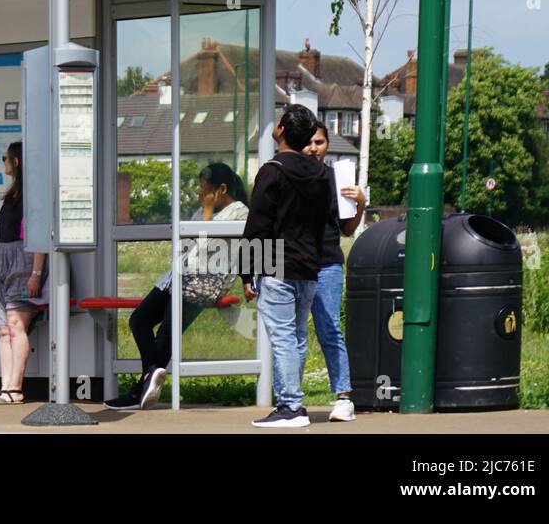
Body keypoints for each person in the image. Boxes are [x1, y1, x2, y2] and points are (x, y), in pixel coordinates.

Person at [104, 162, 250, 411]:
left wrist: (205, 212)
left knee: (165, 337)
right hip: (178, 277)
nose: (199, 195)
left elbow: (205, 239)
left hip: (203, 282)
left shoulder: (240, 212)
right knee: (139, 320)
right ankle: (151, 375)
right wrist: (204, 210)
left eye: (204, 190)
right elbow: (189, 237)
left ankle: (139, 391)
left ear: (221, 189)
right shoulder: (206, 211)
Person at [242, 103, 330, 428]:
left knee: (281, 338)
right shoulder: (321, 173)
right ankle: (289, 403)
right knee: (296, 338)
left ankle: (291, 406)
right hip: (308, 264)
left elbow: (258, 227)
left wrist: (247, 273)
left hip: (277, 264)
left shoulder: (273, 170)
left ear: (280, 130)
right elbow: (323, 222)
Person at [302, 122, 367, 422]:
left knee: (329, 330)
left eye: (319, 142)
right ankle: (290, 398)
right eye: (308, 142)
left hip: (327, 263)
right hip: (295, 265)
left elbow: (346, 229)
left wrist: (361, 204)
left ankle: (343, 397)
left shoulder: (336, 177)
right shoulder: (288, 176)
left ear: (327, 145)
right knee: (293, 333)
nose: (313, 147)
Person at [0, 142, 47, 405]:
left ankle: (15, 388)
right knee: (5, 328)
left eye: (4, 158)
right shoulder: (13, 195)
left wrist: (36, 273)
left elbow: (39, 235)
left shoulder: (33, 195)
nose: (3, 163)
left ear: (15, 161)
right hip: (5, 259)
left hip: (24, 261)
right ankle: (6, 386)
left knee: (16, 324)